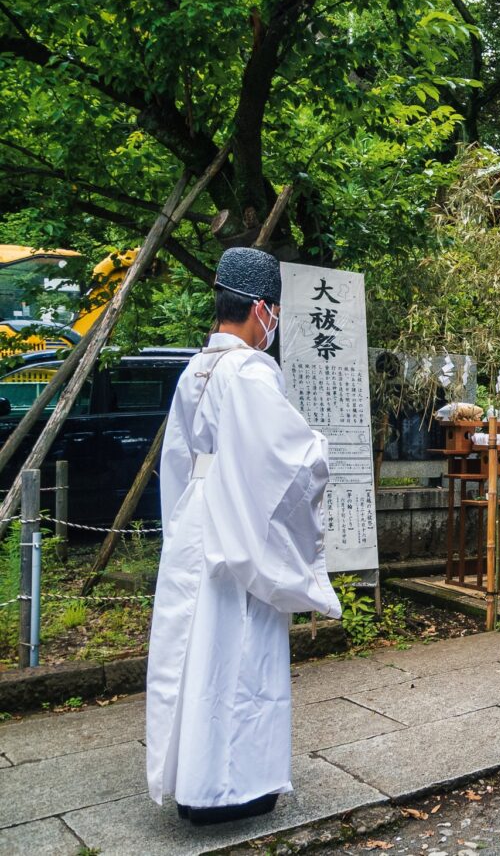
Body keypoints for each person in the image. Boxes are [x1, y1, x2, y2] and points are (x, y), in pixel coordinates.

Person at [145, 247, 343, 825]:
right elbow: (287, 460)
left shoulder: (196, 369)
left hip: (195, 523)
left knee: (193, 656)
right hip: (238, 522)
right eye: (273, 311)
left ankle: (191, 780)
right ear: (260, 309)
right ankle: (234, 786)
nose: (273, 323)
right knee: (239, 657)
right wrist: (320, 450)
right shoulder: (250, 371)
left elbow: (178, 463)